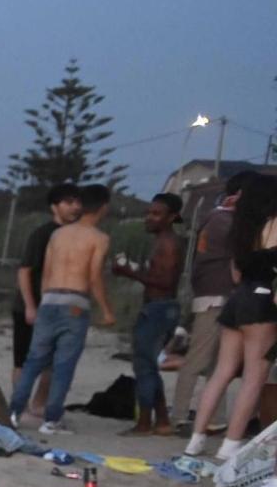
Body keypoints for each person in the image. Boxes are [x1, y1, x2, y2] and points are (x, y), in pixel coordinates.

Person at [185, 172, 277, 469]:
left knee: (221, 372)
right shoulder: (274, 225)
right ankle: (230, 447)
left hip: (237, 300)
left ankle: (195, 440)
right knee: (254, 377)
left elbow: (236, 275)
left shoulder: (241, 229)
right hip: (263, 303)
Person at [8, 184, 114, 435]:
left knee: (33, 360)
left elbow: (46, 272)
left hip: (50, 299)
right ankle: (51, 419)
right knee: (63, 365)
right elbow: (94, 276)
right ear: (103, 208)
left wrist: (44, 300)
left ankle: (14, 412)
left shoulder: (58, 235)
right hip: (75, 302)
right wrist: (106, 309)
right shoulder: (99, 238)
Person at [173, 172, 248, 431]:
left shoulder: (218, 219)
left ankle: (214, 417)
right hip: (215, 296)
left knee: (218, 363)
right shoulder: (223, 222)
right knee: (200, 360)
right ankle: (180, 415)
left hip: (218, 295)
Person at [110, 193, 185, 436]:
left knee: (144, 367)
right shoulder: (163, 241)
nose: (149, 218)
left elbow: (165, 281)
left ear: (172, 217)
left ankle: (144, 423)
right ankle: (161, 420)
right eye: (148, 213)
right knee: (149, 365)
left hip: (158, 310)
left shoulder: (169, 243)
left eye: (156, 214)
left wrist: (129, 273)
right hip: (160, 308)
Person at [11, 182, 83, 418]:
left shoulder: (78, 235)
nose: (75, 207)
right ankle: (18, 403)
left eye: (78, 202)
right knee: (24, 359)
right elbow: (25, 271)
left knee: (52, 361)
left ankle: (39, 404)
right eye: (69, 202)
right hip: (31, 306)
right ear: (55, 206)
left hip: (61, 308)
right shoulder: (43, 234)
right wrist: (30, 306)